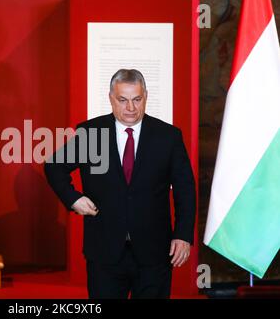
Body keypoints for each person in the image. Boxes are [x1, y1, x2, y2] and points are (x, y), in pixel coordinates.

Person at [44, 69, 196, 298]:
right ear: (110, 98)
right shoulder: (91, 133)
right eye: (122, 100)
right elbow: (54, 166)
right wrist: (73, 198)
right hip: (104, 252)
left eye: (137, 99)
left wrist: (183, 235)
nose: (131, 108)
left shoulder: (168, 136)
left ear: (145, 96)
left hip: (154, 253)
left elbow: (185, 190)